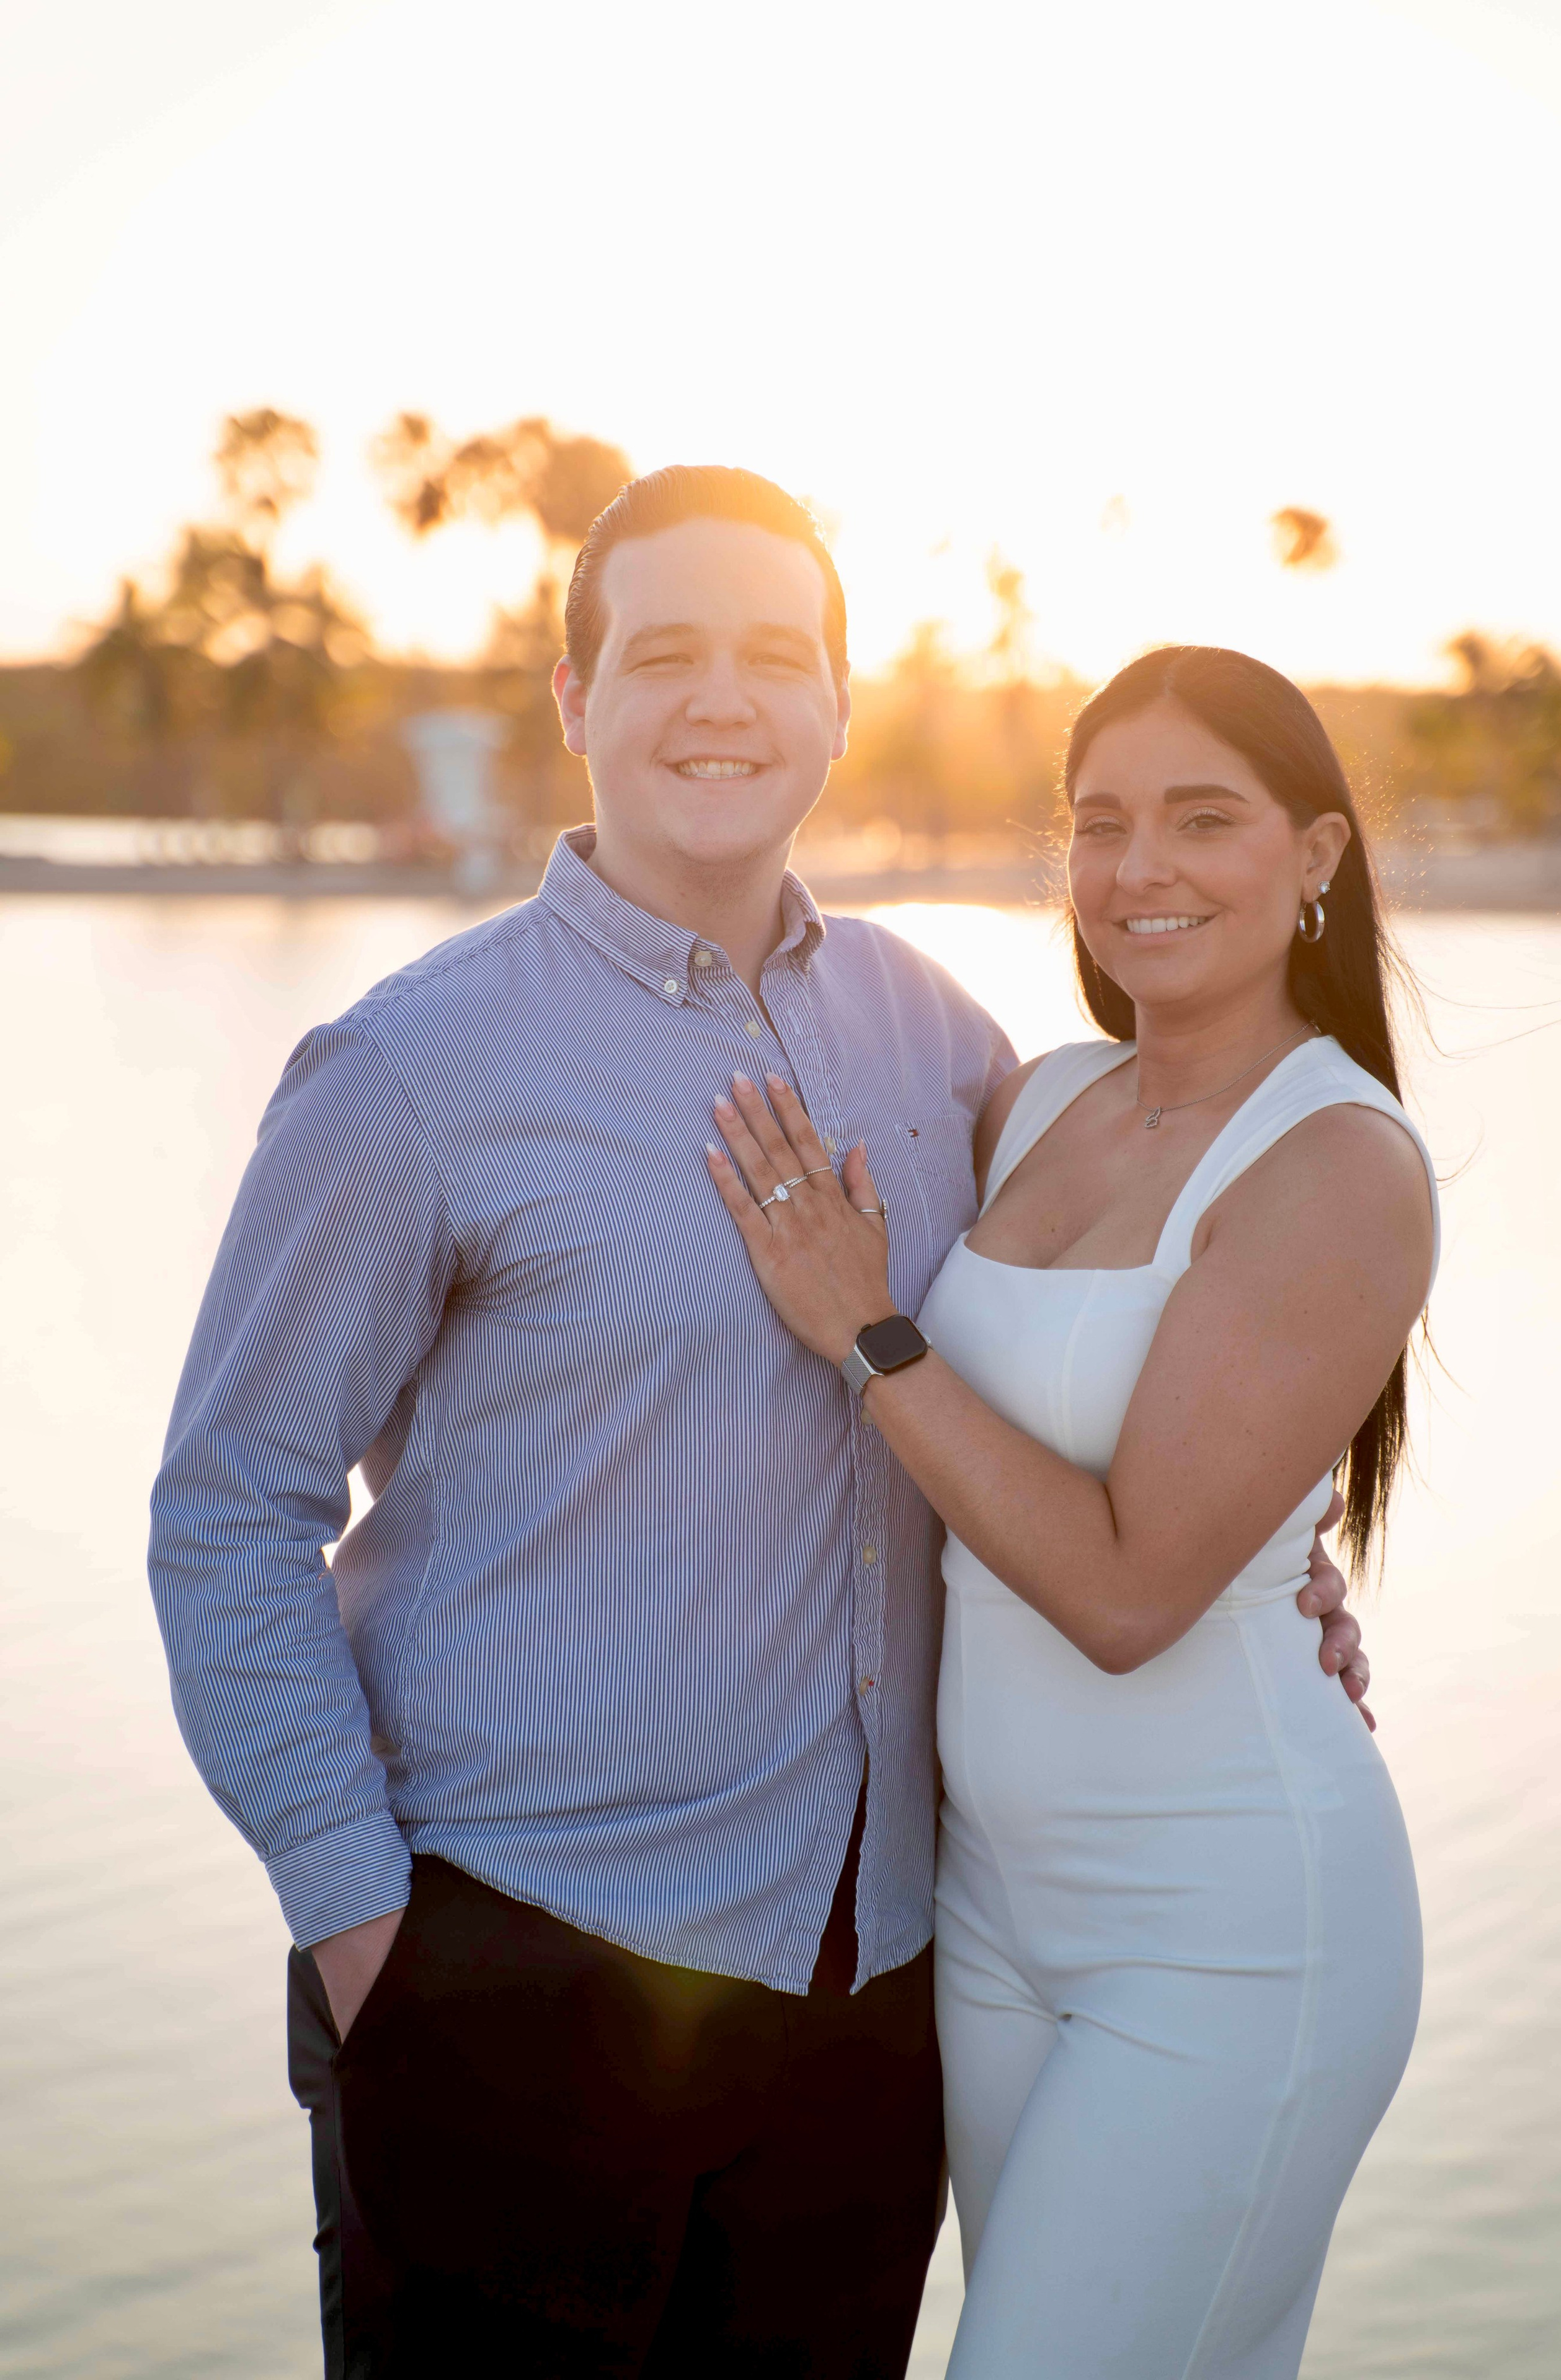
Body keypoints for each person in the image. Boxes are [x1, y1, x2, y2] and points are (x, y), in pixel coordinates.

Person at [148, 477, 1372, 2379]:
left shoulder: (939, 1041)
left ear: (837, 703)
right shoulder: (413, 1068)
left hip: (868, 2013)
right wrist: (362, 1932)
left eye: (772, 657)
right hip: (509, 1973)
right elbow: (230, 1512)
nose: (722, 702)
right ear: (575, 697)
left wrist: (1278, 1560)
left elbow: (1097, 1344)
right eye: (665, 655)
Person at [706, 644, 1434, 2378]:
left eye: (1205, 819)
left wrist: (867, 1334)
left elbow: (1124, 1597)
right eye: (1101, 826)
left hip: (1231, 1931)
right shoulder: (1034, 1099)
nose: (1141, 872)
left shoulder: (1339, 1160)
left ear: (1318, 852)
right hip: (995, 1917)